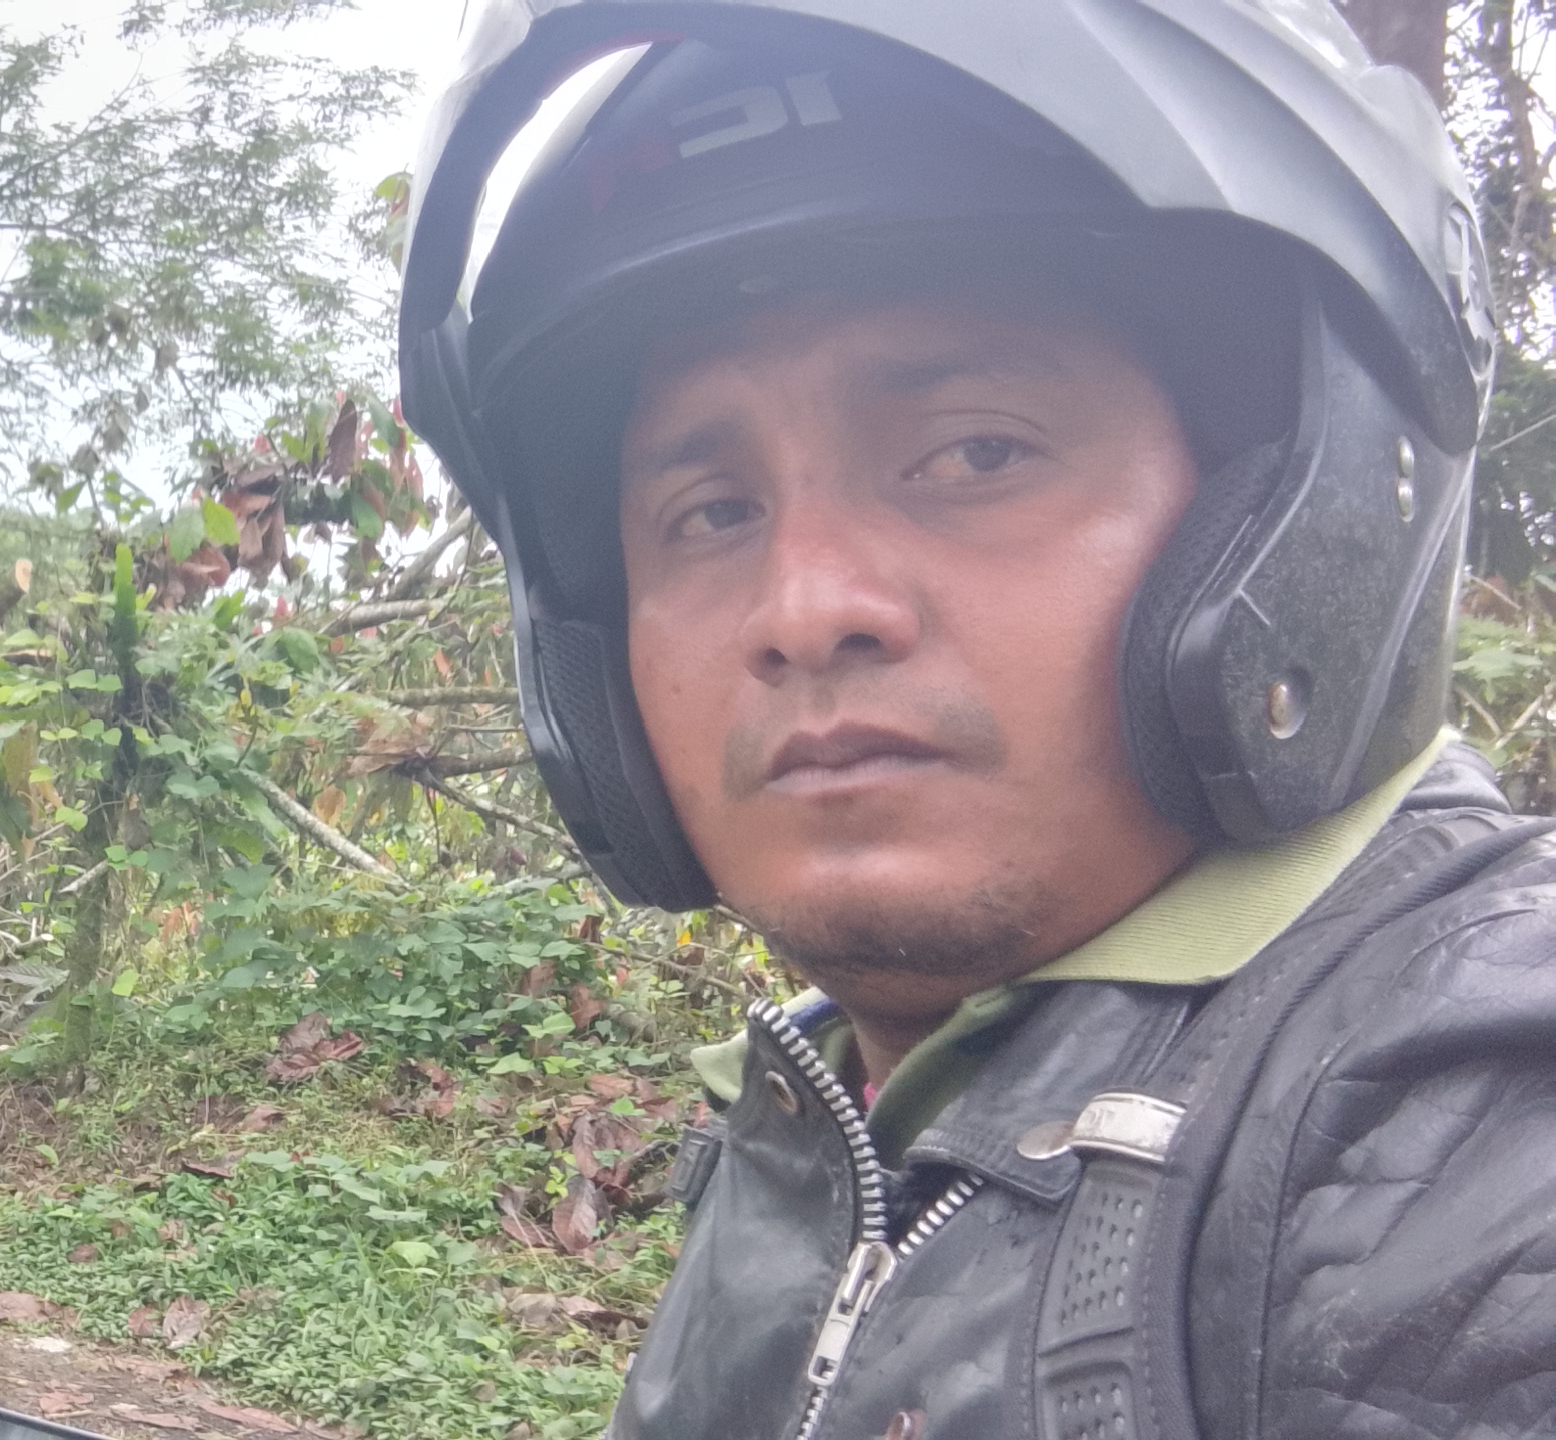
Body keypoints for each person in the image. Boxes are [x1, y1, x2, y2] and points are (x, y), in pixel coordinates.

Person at [397, 3, 1556, 1438]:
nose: (804, 607)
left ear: (1291, 522)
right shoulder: (833, 1098)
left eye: (975, 452)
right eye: (711, 512)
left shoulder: (1469, 1119)